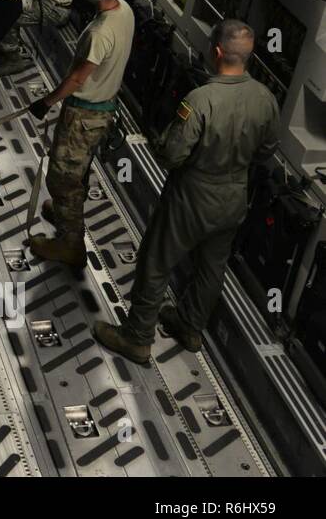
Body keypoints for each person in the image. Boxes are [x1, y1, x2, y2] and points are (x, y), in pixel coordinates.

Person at [95, 20, 279, 364]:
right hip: (234, 197)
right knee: (212, 267)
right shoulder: (265, 99)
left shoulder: (201, 100)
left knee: (157, 258)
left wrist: (162, 142)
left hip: (191, 196)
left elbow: (171, 154)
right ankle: (190, 327)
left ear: (218, 52)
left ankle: (137, 337)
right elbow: (266, 152)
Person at [24, 0, 135, 268]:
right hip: (103, 109)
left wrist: (46, 102)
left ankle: (70, 244)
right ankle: (63, 211)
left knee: (63, 178)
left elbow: (76, 79)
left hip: (85, 115)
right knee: (79, 170)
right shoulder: (124, 12)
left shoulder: (100, 33)